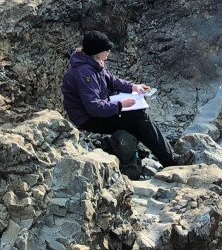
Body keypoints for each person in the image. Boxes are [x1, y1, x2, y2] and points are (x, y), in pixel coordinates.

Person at [61, 30, 188, 167]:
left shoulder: (95, 62)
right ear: (97, 52)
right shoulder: (84, 73)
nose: (109, 50)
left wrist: (133, 87)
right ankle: (170, 160)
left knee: (137, 119)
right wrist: (121, 105)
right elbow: (94, 108)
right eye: (106, 49)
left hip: (97, 111)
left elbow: (113, 81)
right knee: (139, 117)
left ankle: (152, 160)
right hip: (88, 119)